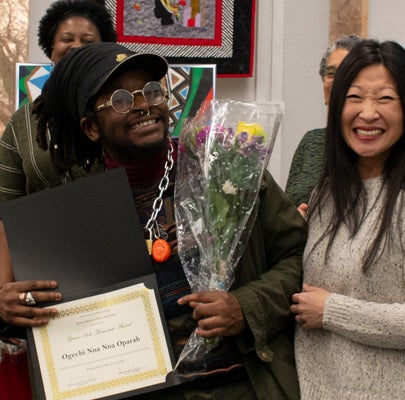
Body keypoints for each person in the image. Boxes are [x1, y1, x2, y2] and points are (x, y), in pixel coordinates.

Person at [1, 42, 306, 399]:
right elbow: (55, 321)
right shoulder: (72, 214)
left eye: (151, 91)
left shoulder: (228, 169)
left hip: (241, 387)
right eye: (120, 99)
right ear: (91, 128)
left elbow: (301, 256)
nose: (144, 105)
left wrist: (246, 306)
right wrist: (11, 308)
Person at [291, 39, 405, 399]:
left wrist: (332, 311)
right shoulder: (329, 192)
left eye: (385, 98)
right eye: (354, 98)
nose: (368, 113)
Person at [0, 0, 117, 203]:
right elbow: (5, 206)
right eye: (66, 39)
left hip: (120, 229)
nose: (77, 47)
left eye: (88, 41)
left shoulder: (120, 108)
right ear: (51, 49)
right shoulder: (23, 123)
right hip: (40, 233)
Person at [285, 34, 361, 213]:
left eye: (347, 73)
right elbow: (287, 205)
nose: (337, 81)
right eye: (331, 73)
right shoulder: (312, 141)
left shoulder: (368, 142)